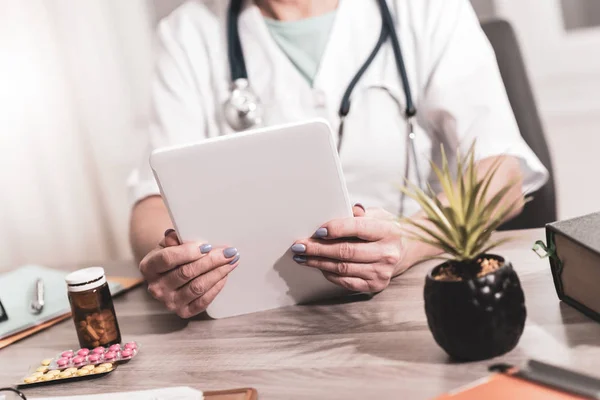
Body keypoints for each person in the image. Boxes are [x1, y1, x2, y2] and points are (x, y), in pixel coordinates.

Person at [128, 0, 549, 318]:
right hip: (259, 315)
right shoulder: (188, 31)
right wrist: (175, 267)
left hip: (420, 298)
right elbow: (151, 205)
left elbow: (501, 173)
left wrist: (409, 240)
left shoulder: (425, 7)